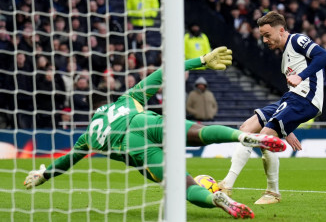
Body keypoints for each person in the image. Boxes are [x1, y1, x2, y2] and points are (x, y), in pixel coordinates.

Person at [24, 47, 287, 219]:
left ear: (94, 114)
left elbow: (67, 161)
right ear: (108, 104)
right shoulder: (125, 100)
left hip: (131, 144)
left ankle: (216, 199)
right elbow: (162, 73)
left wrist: (43, 175)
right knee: (199, 132)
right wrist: (202, 61)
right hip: (143, 120)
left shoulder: (88, 137)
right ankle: (243, 137)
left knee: (182, 185)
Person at [219, 11, 326, 205]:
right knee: (247, 129)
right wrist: (287, 128)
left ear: (281, 30)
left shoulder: (297, 40)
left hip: (305, 98)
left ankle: (272, 192)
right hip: (291, 99)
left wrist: (301, 76)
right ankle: (226, 185)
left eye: (267, 35)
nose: (265, 40)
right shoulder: (284, 59)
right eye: (262, 36)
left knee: (265, 135)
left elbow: (323, 55)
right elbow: (288, 103)